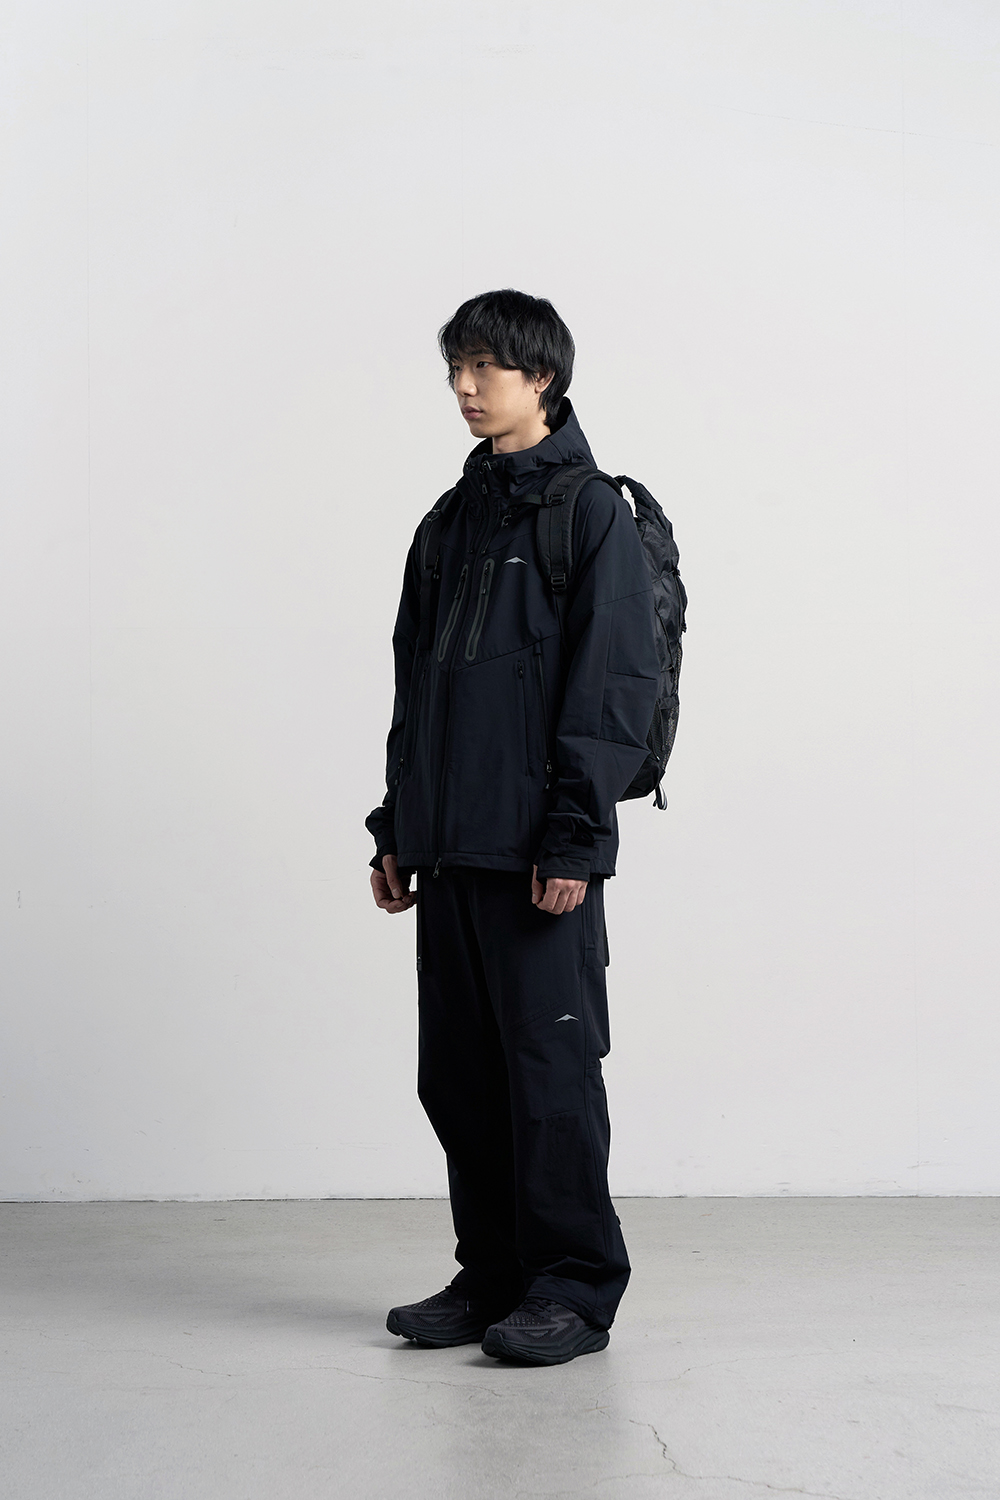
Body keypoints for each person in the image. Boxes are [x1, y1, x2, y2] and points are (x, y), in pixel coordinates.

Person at [366, 288, 658, 1366]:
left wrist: (577, 838)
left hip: (540, 855)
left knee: (549, 1079)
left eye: (484, 367)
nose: (464, 387)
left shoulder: (589, 514)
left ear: (542, 376)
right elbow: (418, 687)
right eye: (455, 368)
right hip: (449, 852)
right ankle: (491, 1274)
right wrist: (396, 828)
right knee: (460, 1079)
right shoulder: (449, 522)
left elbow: (612, 687)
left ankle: (572, 1289)